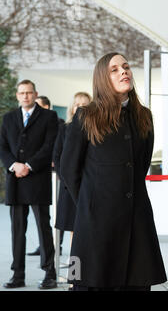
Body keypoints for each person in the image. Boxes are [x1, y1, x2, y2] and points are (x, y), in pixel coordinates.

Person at [60, 52, 167, 290]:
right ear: (102, 79)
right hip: (96, 223)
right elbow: (69, 170)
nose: (124, 72)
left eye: (126, 67)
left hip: (136, 220)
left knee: (137, 283)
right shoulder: (86, 116)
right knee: (93, 282)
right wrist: (90, 204)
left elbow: (141, 166)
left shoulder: (144, 116)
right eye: (115, 69)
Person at [0, 80, 59, 289]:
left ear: (35, 94)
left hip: (38, 179)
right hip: (15, 180)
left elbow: (50, 145)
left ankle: (49, 274)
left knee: (44, 228)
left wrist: (29, 165)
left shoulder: (49, 117)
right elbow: (2, 147)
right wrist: (14, 165)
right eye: (22, 93)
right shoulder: (8, 119)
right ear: (17, 95)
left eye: (29, 92)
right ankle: (18, 275)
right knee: (17, 230)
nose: (25, 96)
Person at [53, 92, 92, 254]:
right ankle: (75, 269)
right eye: (77, 104)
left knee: (91, 229)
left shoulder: (95, 129)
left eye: (84, 104)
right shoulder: (64, 129)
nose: (80, 107)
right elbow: (58, 157)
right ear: (71, 108)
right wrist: (70, 180)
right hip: (70, 189)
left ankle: (89, 267)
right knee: (73, 230)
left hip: (91, 187)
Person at [27, 95, 64, 256]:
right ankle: (46, 247)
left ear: (47, 107)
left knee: (60, 211)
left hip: (58, 174)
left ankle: (57, 245)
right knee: (44, 215)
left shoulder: (60, 124)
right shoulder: (33, 125)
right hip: (41, 172)